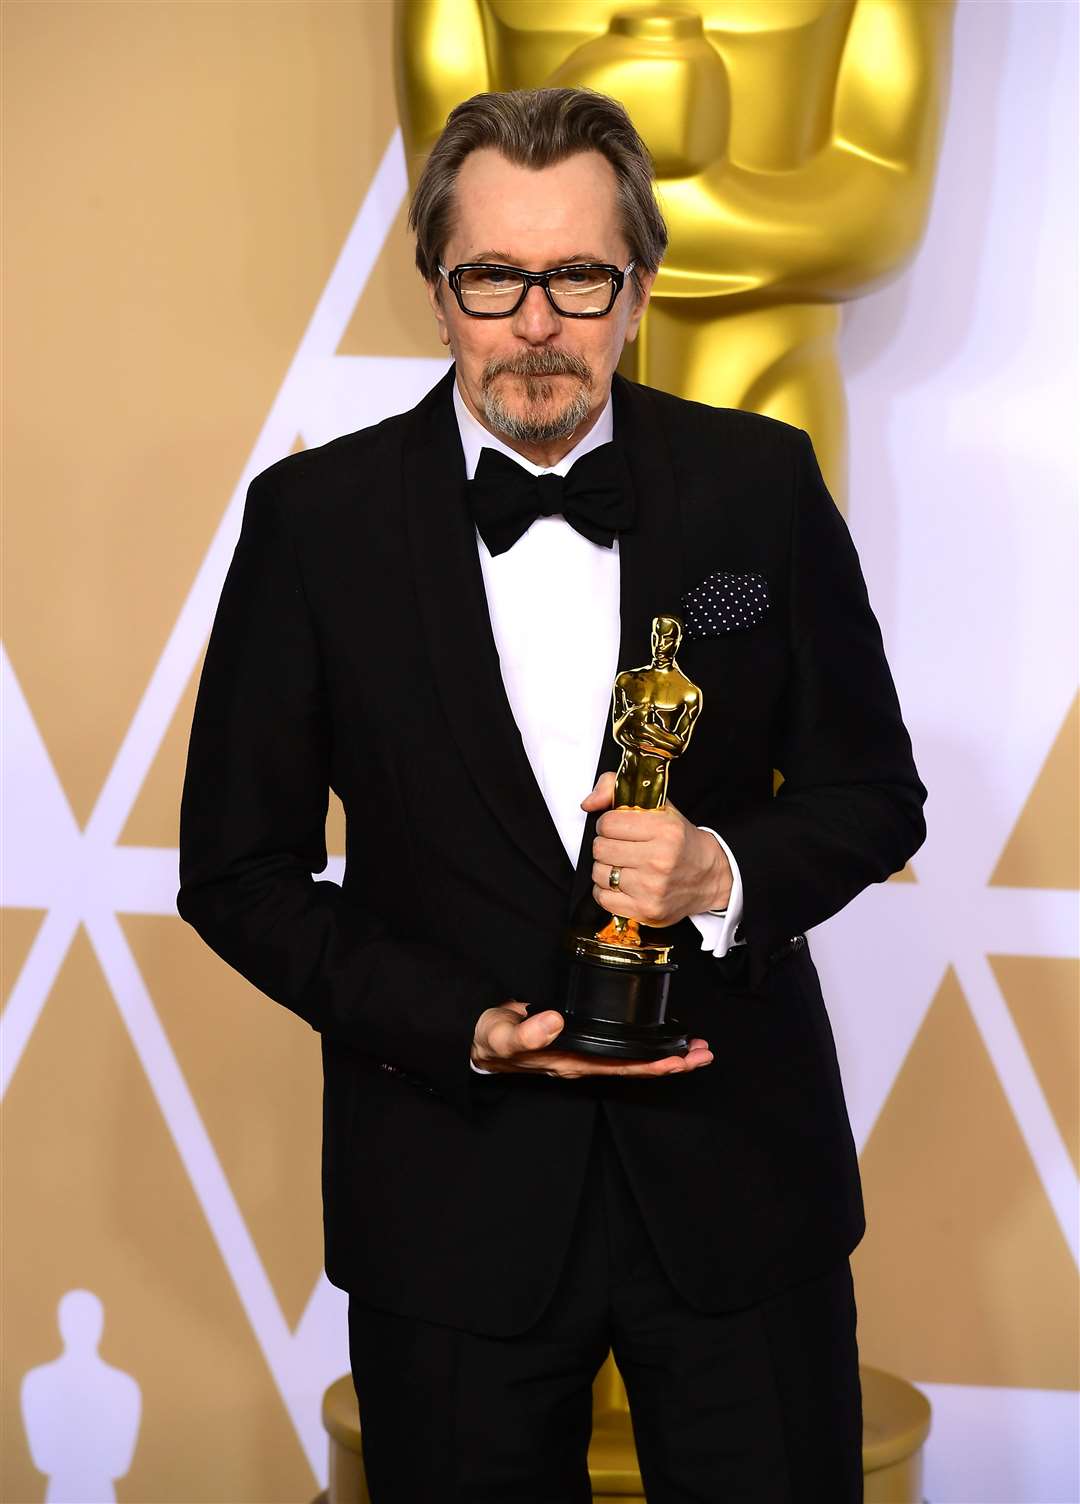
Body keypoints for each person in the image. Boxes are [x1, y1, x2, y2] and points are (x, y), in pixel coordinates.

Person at [178, 87, 927, 1503]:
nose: (537, 320)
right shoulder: (315, 525)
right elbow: (236, 872)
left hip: (736, 1194)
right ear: (437, 287)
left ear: (637, 289)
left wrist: (723, 875)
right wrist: (456, 1026)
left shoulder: (754, 488)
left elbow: (874, 791)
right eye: (494, 277)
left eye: (579, 275)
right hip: (449, 1207)